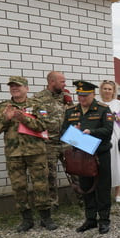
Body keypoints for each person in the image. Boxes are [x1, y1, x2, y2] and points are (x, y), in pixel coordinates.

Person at [0, 76, 57, 232]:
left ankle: (45, 218)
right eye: (12, 86)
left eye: (18, 86)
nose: (15, 88)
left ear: (26, 88)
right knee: (19, 186)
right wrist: (6, 119)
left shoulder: (37, 105)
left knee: (41, 185)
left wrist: (24, 119)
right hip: (14, 154)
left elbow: (43, 126)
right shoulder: (2, 107)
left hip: (36, 153)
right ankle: (26, 219)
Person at [62, 80, 114, 234]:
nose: (82, 99)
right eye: (79, 95)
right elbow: (63, 133)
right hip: (83, 155)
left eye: (85, 95)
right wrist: (75, 133)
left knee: (103, 187)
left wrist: (91, 132)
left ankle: (104, 219)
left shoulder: (103, 109)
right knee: (86, 187)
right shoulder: (71, 111)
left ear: (93, 94)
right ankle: (90, 219)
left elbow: (108, 131)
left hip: (100, 154)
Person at [33, 71, 74, 208]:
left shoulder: (66, 96)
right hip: (49, 143)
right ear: (52, 82)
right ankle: (52, 204)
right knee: (50, 175)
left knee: (75, 170)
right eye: (62, 81)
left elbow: (73, 115)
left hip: (67, 140)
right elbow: (35, 120)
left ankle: (83, 199)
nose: (65, 84)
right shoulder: (38, 98)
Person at [99, 80, 120, 203]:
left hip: (117, 137)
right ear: (101, 90)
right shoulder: (97, 103)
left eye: (109, 89)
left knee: (118, 165)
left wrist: (117, 117)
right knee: (105, 165)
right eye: (105, 88)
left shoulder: (119, 103)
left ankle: (117, 193)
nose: (107, 91)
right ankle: (104, 192)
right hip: (103, 137)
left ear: (113, 91)